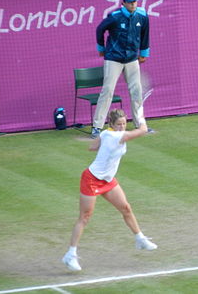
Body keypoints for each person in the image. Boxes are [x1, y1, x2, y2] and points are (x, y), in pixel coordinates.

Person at [62, 109, 157, 272]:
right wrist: (140, 115)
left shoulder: (107, 134)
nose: (121, 127)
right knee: (84, 217)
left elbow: (92, 147)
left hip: (107, 179)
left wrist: (105, 147)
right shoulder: (116, 135)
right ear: (112, 124)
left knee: (126, 208)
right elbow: (142, 131)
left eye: (124, 124)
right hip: (91, 179)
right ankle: (70, 255)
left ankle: (139, 239)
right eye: (118, 124)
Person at [91, 0, 154, 139]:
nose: (133, 4)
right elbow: (100, 29)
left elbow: (145, 34)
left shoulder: (142, 15)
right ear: (123, 3)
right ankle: (97, 127)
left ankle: (140, 124)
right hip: (113, 58)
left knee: (136, 91)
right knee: (107, 91)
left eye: (135, 1)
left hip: (132, 59)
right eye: (130, 2)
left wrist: (144, 53)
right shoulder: (114, 17)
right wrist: (101, 48)